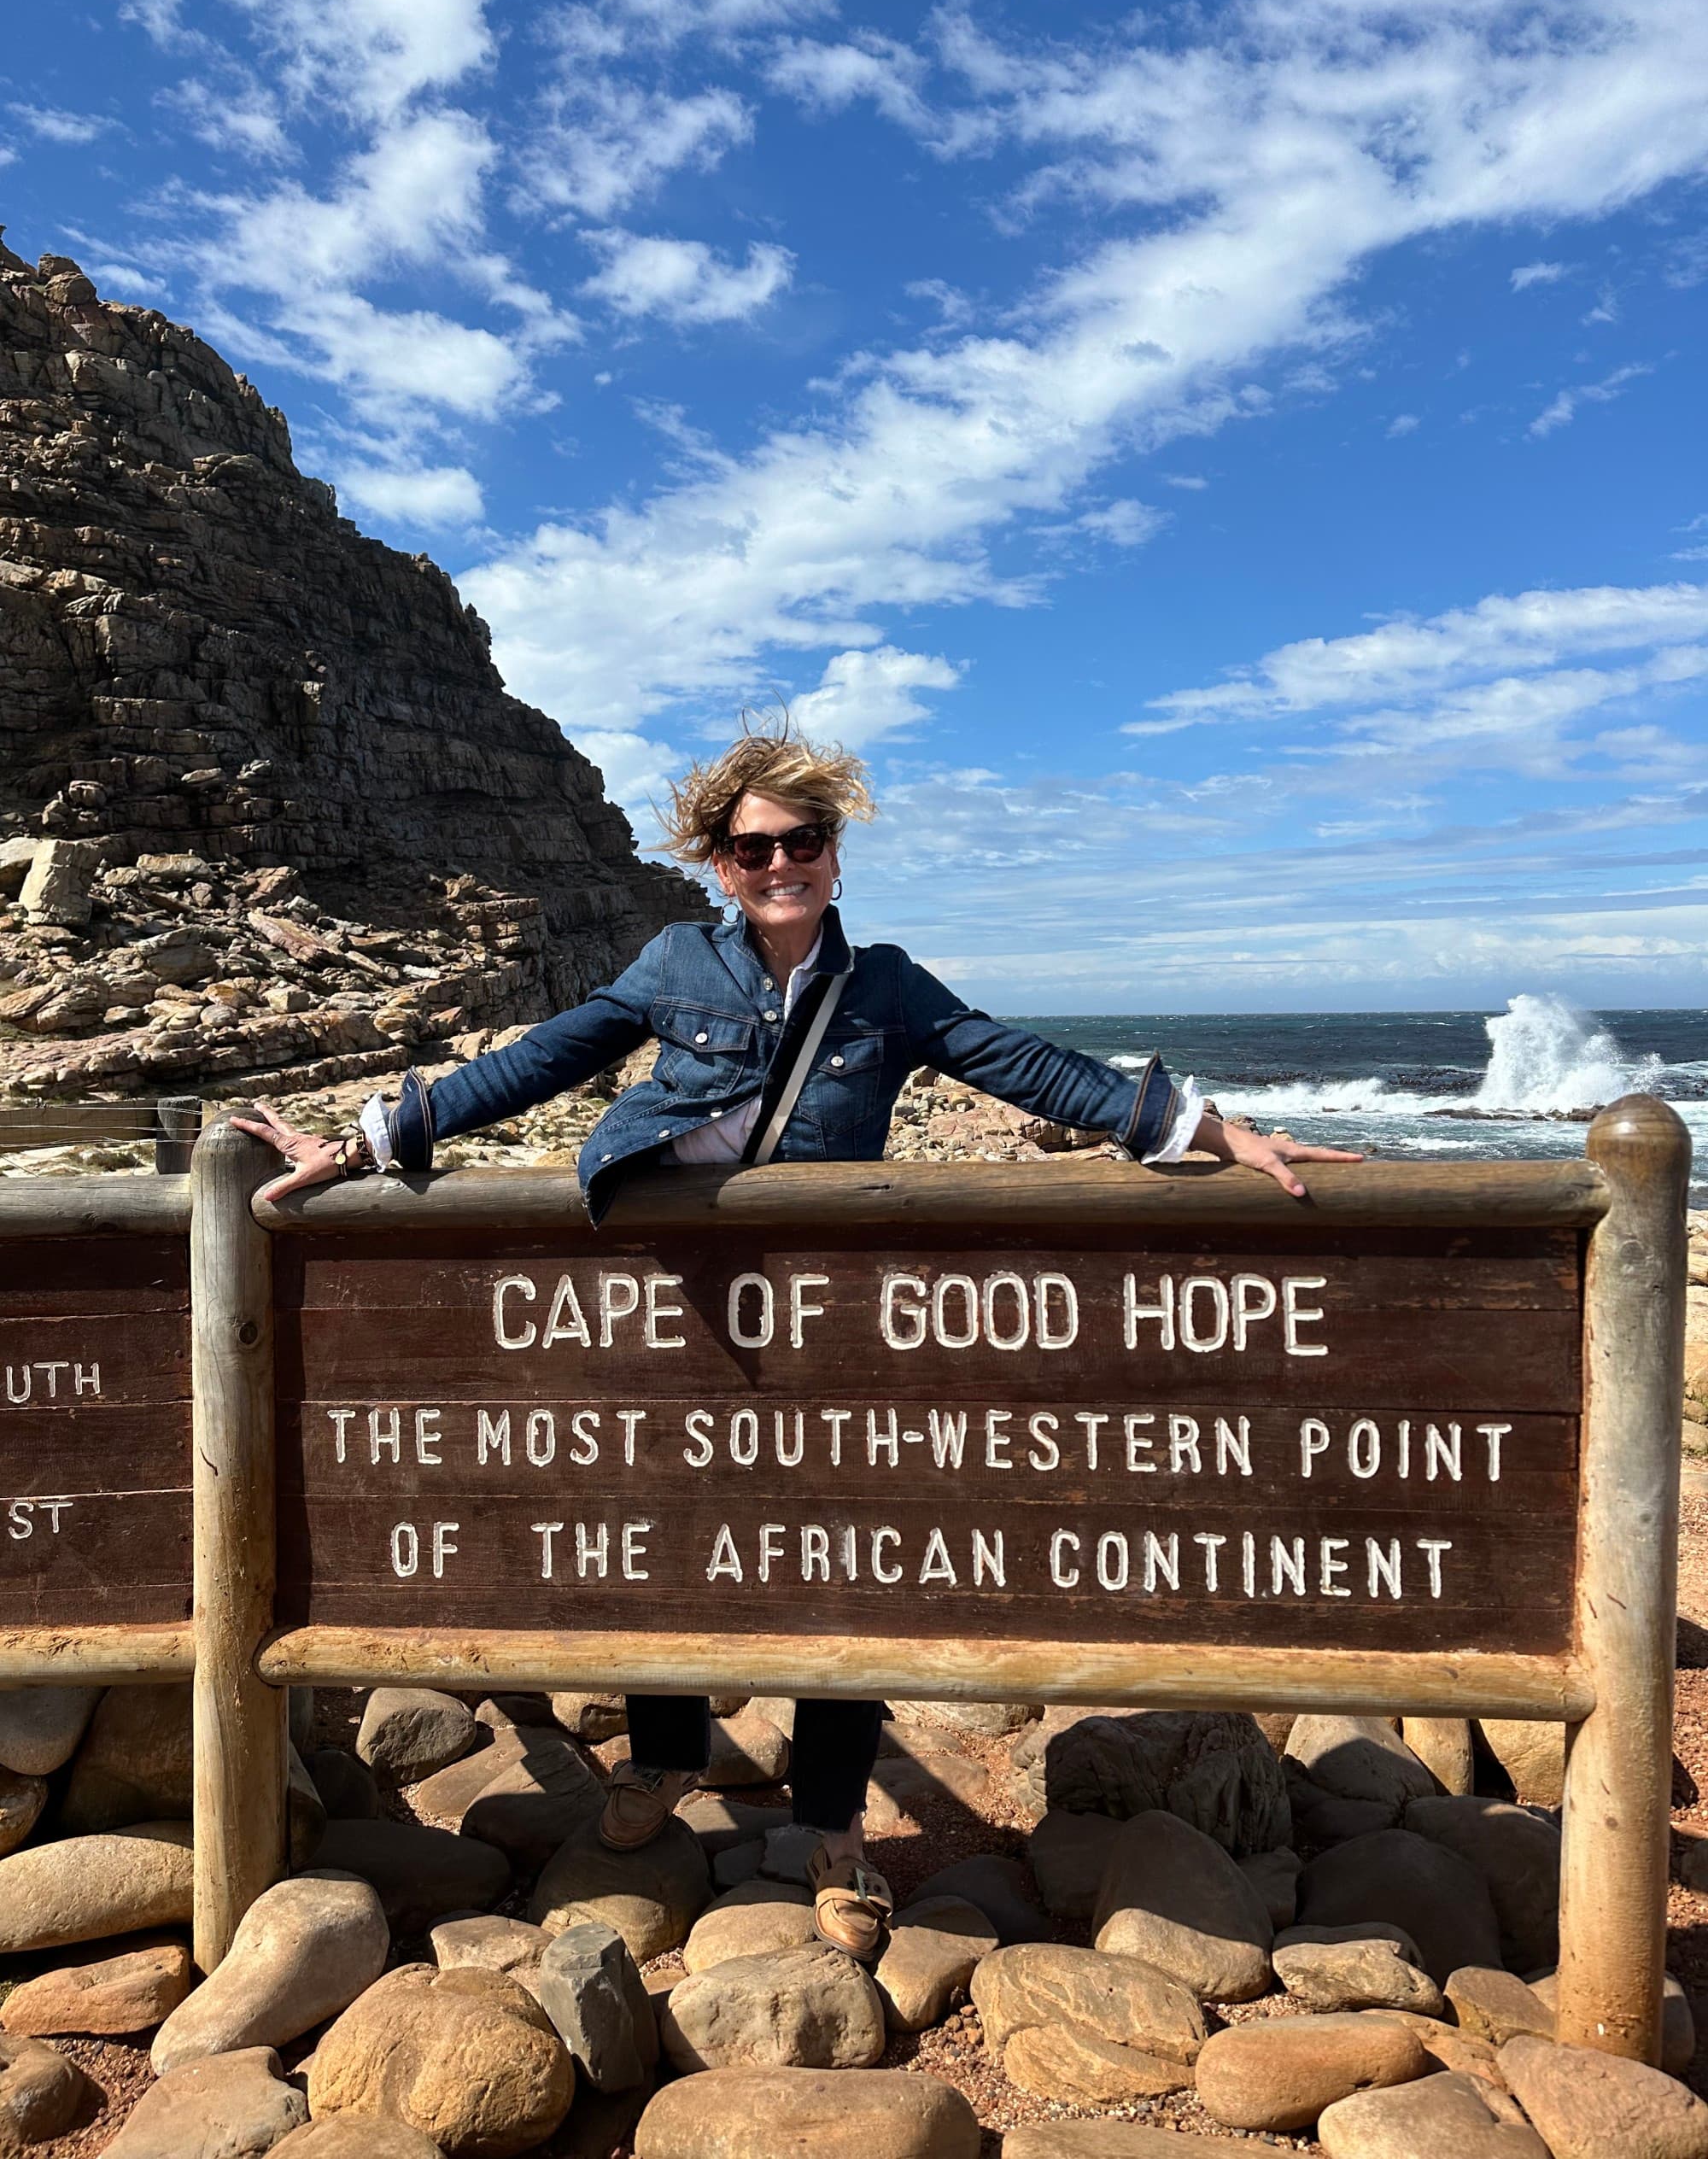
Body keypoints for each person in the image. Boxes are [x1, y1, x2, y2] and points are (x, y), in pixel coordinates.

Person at [238, 723, 1359, 1961]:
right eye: (753, 845)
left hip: (827, 1320)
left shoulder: (883, 986)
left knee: (840, 1559)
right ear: (718, 863)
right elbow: (540, 1062)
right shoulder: (675, 960)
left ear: (834, 853)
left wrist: (1216, 1131)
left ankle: (833, 1825)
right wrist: (364, 1141)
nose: (781, 863)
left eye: (804, 840)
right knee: (658, 1530)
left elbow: (1027, 1066)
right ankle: (664, 1760)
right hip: (677, 1307)